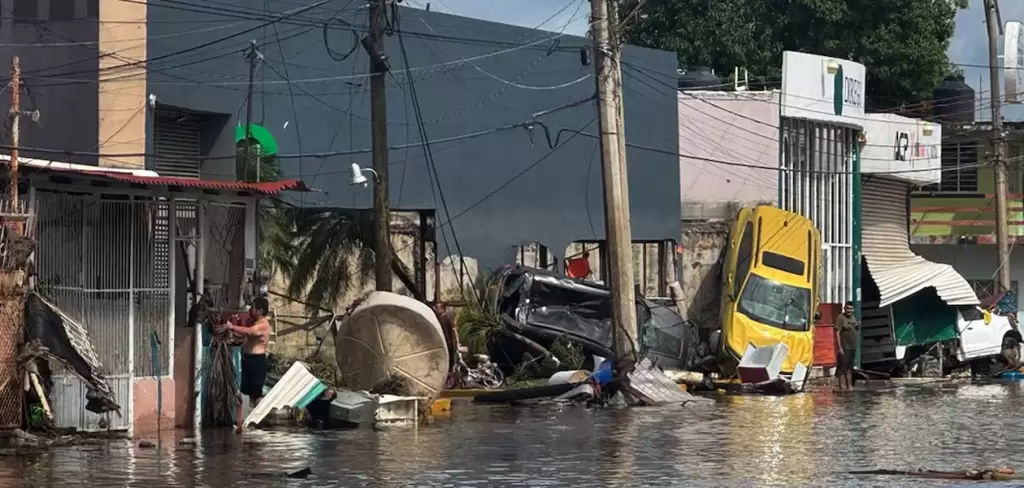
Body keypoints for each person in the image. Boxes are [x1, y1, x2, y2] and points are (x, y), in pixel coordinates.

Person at [229, 297, 272, 408]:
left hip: (256, 362)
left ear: (260, 311)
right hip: (247, 360)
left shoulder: (263, 325)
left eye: (252, 308)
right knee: (244, 391)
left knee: (255, 394)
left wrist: (232, 327)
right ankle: (244, 414)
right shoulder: (255, 323)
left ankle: (256, 414)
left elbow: (249, 332)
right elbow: (245, 336)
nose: (250, 310)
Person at [834, 301, 858, 391]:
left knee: (849, 368)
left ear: (853, 310)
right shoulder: (840, 317)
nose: (849, 310)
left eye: (851, 309)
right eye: (847, 308)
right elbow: (837, 333)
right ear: (844, 308)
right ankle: (842, 386)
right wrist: (839, 347)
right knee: (842, 367)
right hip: (844, 346)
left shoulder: (853, 317)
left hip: (852, 346)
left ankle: (849, 386)